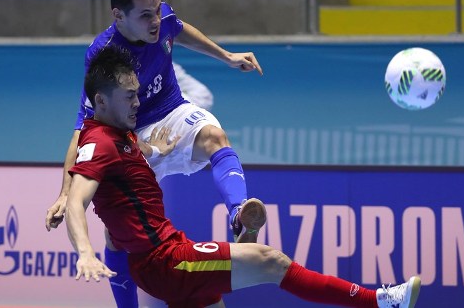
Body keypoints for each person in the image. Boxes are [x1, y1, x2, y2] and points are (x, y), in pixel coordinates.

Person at [65, 46, 421, 308]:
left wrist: (153, 151)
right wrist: (84, 252)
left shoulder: (118, 131)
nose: (137, 104)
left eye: (136, 95)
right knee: (270, 260)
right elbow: (77, 203)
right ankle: (379, 300)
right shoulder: (98, 144)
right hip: (167, 260)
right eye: (128, 97)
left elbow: (121, 179)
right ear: (100, 100)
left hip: (163, 260)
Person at [45, 0, 266, 306]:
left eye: (158, 10)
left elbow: (179, 30)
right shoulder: (103, 56)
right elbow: (82, 125)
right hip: (131, 132)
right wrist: (64, 191)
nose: (156, 21)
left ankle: (239, 215)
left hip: (172, 109)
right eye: (145, 15)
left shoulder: (162, 18)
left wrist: (227, 56)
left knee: (214, 138)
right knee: (118, 236)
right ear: (118, 16)